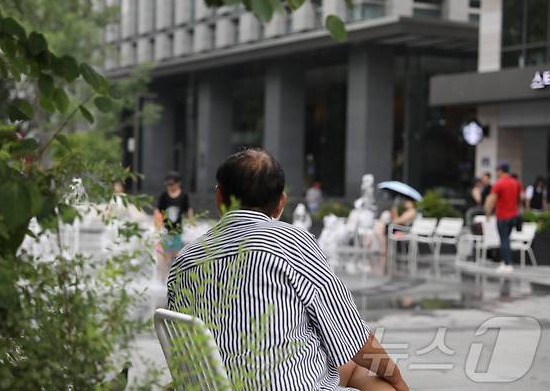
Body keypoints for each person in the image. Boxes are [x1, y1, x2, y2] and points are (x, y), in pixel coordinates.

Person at [167, 149, 408, 391]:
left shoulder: (185, 259)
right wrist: (398, 381)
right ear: (281, 203)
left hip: (215, 385)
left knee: (347, 367)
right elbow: (350, 333)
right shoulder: (290, 242)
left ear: (219, 198)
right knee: (377, 378)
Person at [154, 171, 193, 282]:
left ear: (178, 183)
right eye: (168, 184)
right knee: (164, 255)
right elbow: (158, 211)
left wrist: (191, 223)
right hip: (166, 231)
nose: (170, 186)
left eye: (172, 184)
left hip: (178, 231)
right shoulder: (164, 196)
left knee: (176, 256)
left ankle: (178, 279)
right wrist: (157, 226)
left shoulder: (183, 195)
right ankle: (163, 279)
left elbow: (188, 210)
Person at [485, 162, 523, 273]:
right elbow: (521, 198)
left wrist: (487, 213)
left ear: (501, 171)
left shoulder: (499, 183)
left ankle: (507, 264)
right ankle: (506, 261)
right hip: (513, 216)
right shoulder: (516, 183)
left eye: (497, 171)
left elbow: (491, 200)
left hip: (502, 216)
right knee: (507, 239)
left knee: (504, 240)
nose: (496, 173)